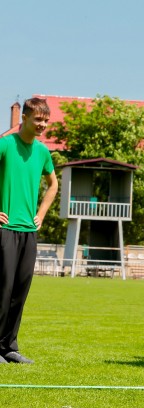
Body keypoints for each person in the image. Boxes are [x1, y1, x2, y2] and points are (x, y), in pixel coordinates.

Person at [0, 98, 59, 365]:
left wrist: (42, 214)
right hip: (5, 228)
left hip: (28, 230)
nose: (42, 125)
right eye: (38, 120)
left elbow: (53, 184)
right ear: (23, 117)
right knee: (3, 288)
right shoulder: (5, 145)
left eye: (45, 121)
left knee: (20, 290)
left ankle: (8, 347)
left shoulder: (43, 153)